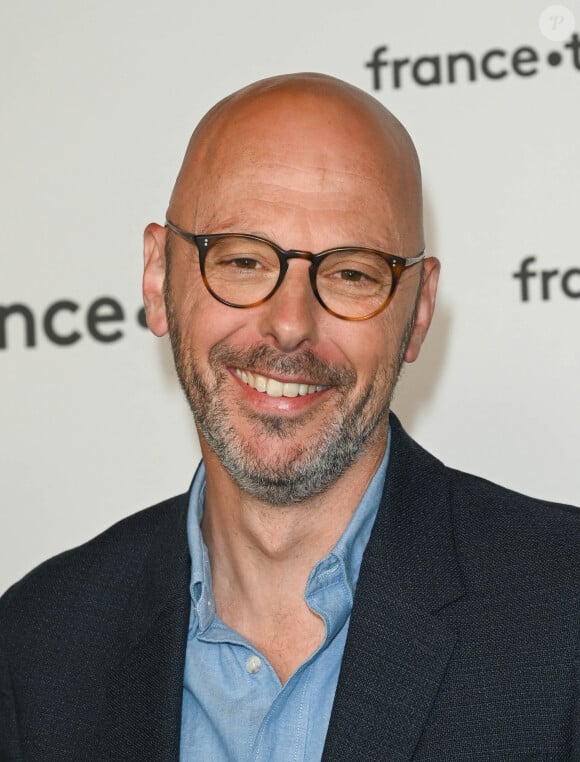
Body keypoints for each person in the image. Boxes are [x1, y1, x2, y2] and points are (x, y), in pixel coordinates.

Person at [1, 73, 579, 761]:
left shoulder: (564, 615)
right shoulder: (37, 650)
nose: (289, 326)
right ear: (158, 279)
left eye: (351, 273)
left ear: (418, 312)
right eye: (244, 261)